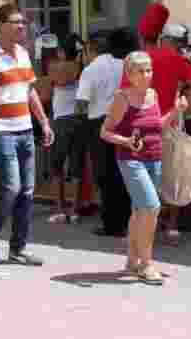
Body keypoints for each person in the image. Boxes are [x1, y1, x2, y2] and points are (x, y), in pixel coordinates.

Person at [0, 3, 54, 267]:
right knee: (11, 187)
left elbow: (30, 92)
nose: (22, 26)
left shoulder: (23, 53)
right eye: (15, 22)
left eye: (23, 22)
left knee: (27, 192)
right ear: (0, 24)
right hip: (2, 132)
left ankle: (18, 248)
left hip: (25, 129)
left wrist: (43, 122)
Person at [102, 51, 188, 285]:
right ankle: (147, 263)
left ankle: (131, 261)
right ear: (129, 74)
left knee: (140, 210)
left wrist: (176, 110)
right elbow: (105, 131)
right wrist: (126, 141)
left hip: (154, 157)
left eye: (148, 70)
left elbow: (157, 126)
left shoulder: (153, 94)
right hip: (130, 159)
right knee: (152, 207)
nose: (146, 75)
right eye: (140, 71)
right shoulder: (122, 98)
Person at [126, 3, 191, 246]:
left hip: (140, 125)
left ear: (140, 34)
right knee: (173, 175)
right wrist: (186, 106)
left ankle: (148, 227)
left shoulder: (135, 61)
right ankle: (172, 227)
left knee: (144, 177)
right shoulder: (172, 57)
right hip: (170, 123)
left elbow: (124, 94)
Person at [78, 27, 136, 237]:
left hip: (99, 124)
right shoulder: (128, 66)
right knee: (125, 172)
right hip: (125, 122)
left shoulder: (92, 68)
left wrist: (82, 121)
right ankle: (129, 221)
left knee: (105, 175)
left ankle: (111, 223)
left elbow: (82, 102)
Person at [47, 34, 86, 225]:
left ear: (62, 52)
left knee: (56, 166)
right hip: (79, 119)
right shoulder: (82, 68)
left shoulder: (56, 68)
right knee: (76, 166)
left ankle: (60, 209)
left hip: (61, 119)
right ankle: (74, 209)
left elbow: (52, 86)